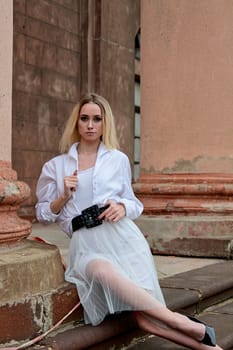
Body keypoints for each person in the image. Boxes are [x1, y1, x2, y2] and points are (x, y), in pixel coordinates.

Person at [36, 92, 222, 350]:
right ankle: (184, 323)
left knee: (145, 322)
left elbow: (135, 203)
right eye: (85, 118)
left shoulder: (117, 159)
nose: (91, 125)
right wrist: (62, 197)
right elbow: (42, 213)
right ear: (76, 123)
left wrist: (122, 207)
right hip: (86, 245)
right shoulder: (55, 167)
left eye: (97, 119)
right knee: (99, 271)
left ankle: (207, 346)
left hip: (122, 240)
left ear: (105, 123)